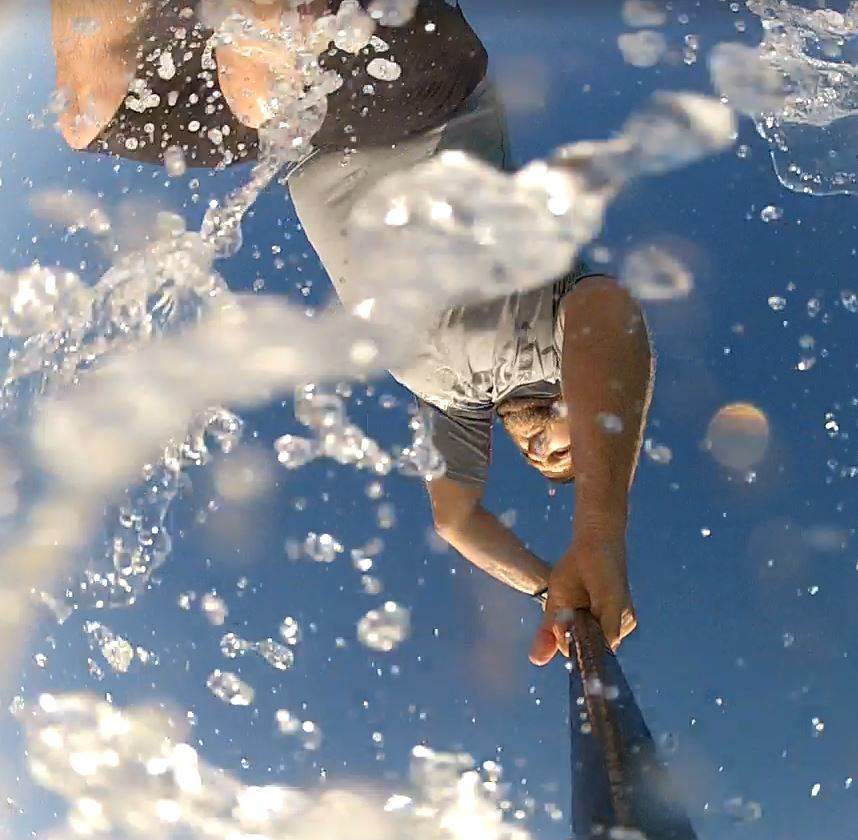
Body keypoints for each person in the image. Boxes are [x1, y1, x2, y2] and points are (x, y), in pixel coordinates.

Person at [51, 0, 652, 664]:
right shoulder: (558, 336)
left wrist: (547, 590)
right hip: (420, 94)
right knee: (258, 73)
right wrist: (599, 530)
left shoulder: (454, 403)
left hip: (301, 134)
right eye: (569, 451)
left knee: (92, 109)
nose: (545, 454)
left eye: (540, 463)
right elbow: (613, 317)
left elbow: (456, 520)